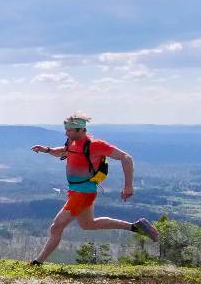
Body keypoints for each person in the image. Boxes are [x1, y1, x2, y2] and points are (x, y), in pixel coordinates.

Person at [28, 112, 158, 265]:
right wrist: (47, 149)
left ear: (80, 130)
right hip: (76, 191)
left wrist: (128, 186)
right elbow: (63, 152)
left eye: (69, 130)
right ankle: (135, 227)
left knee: (56, 226)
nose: (66, 133)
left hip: (83, 193)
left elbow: (126, 158)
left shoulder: (96, 145)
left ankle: (37, 262)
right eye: (66, 130)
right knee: (88, 224)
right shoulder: (71, 142)